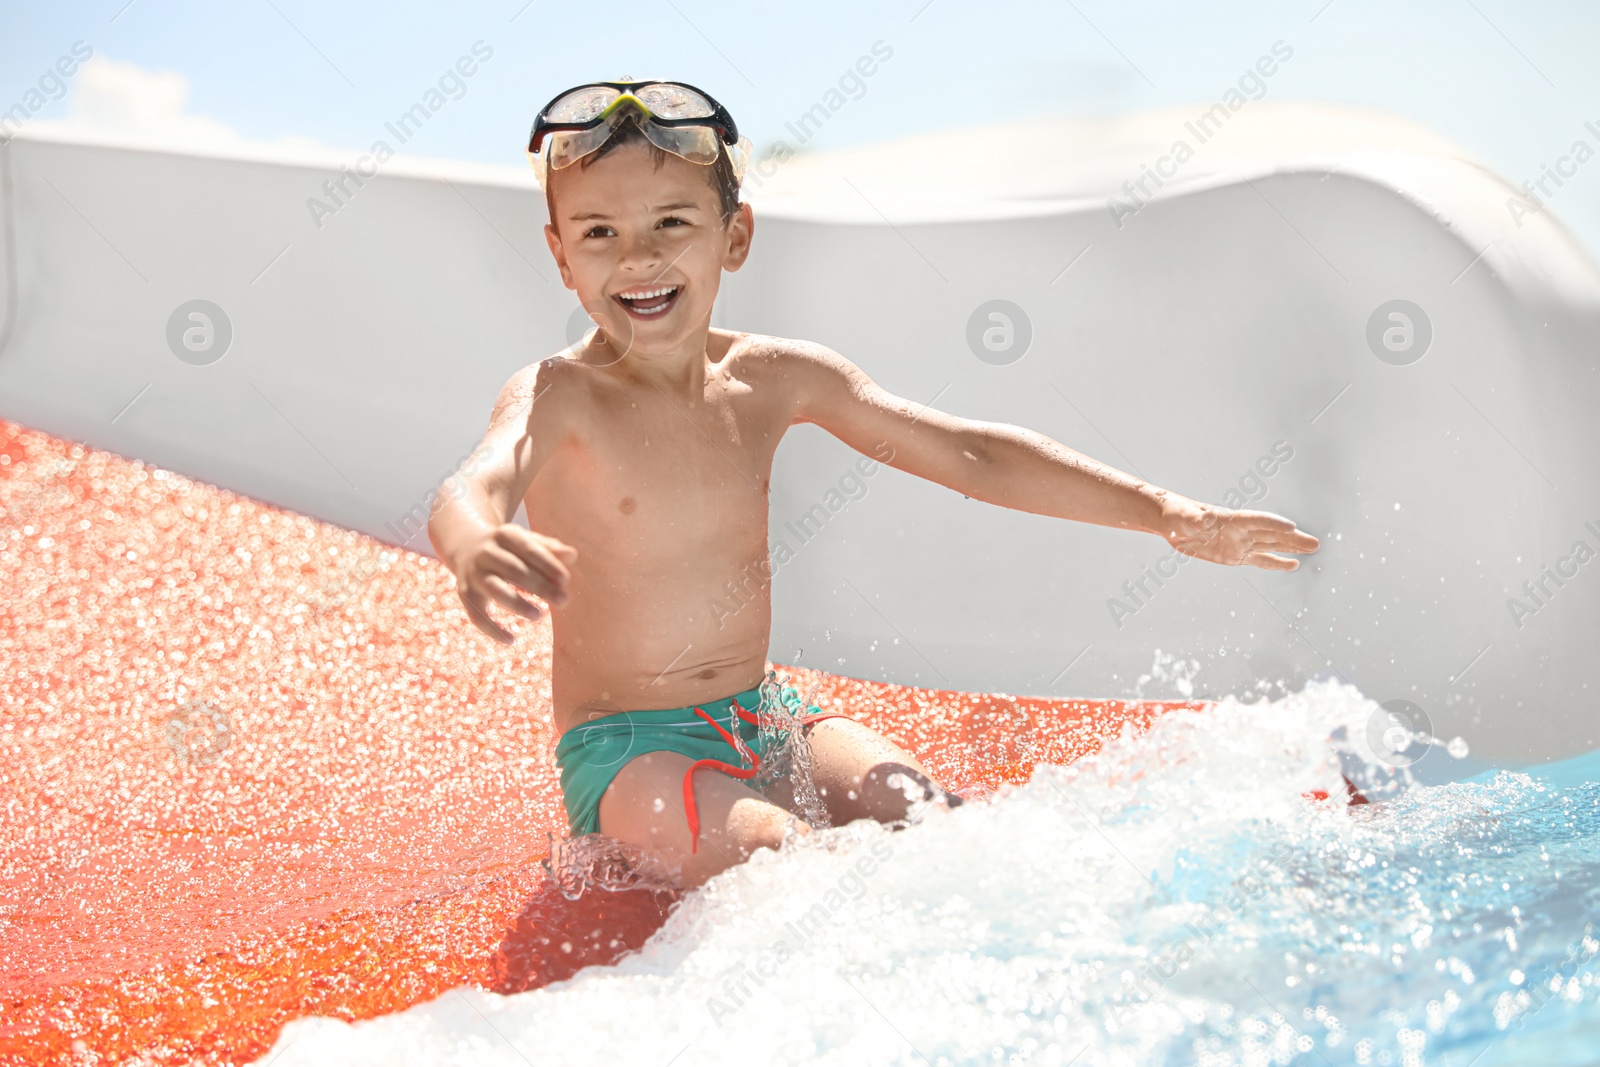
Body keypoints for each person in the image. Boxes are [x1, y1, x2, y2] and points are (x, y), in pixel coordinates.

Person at [426, 80, 1321, 888]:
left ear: (733, 237)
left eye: (671, 222)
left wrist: (1168, 514)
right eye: (599, 233)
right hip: (628, 751)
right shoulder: (560, 394)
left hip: (767, 715)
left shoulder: (776, 377)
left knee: (950, 832)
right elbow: (480, 478)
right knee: (795, 873)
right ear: (559, 254)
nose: (638, 258)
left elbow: (967, 452)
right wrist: (471, 538)